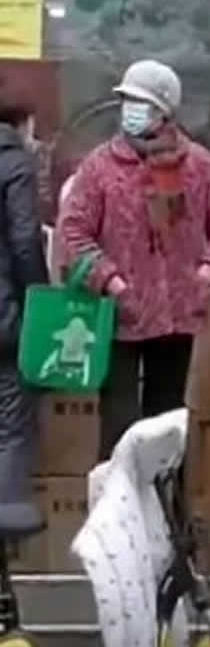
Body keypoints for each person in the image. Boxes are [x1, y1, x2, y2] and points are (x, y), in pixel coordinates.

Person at [58, 59, 210, 459]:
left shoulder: (198, 165)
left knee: (167, 425)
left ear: (165, 111)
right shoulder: (100, 166)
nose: (131, 110)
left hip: (179, 315)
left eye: (141, 102)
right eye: (127, 100)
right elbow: (72, 233)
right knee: (119, 426)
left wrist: (208, 269)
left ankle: (163, 496)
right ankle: (116, 495)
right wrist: (110, 280)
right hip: (118, 316)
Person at [0, 90, 48, 503]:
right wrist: (39, 303)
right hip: (4, 317)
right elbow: (25, 242)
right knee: (11, 428)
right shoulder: (14, 163)